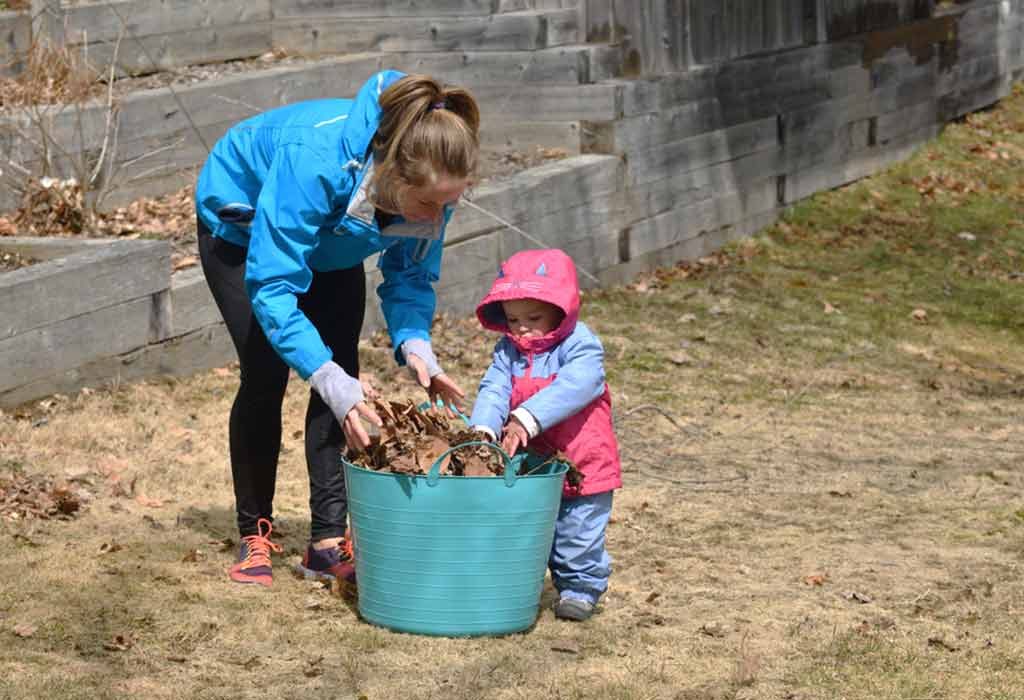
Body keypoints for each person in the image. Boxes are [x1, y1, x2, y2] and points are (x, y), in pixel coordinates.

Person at [194, 70, 480, 587]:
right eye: (430, 206)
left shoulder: (433, 183)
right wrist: (321, 373)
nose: (439, 217)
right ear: (392, 178)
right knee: (267, 372)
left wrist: (415, 343)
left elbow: (412, 273)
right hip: (244, 229)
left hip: (332, 238)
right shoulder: (315, 160)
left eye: (448, 204)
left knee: (343, 376)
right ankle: (253, 531)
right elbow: (274, 288)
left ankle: (326, 542)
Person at [468, 248, 622, 621]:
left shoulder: (580, 345)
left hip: (583, 461)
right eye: (513, 318)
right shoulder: (508, 351)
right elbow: (494, 387)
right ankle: (524, 581)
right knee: (533, 527)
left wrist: (525, 418)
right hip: (535, 466)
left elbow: (577, 386)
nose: (522, 327)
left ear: (561, 309)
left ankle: (581, 587)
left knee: (577, 532)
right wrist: (484, 428)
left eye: (534, 317)